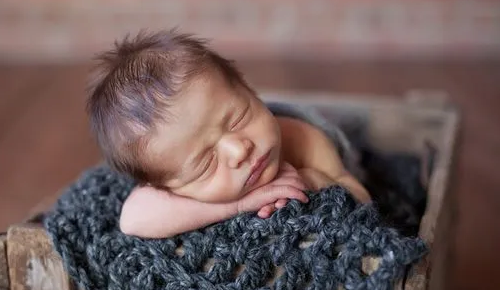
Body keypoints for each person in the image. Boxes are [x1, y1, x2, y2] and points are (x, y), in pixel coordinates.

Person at [86, 29, 371, 239]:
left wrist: (313, 180)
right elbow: (133, 220)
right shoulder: (169, 177)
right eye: (206, 163)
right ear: (170, 188)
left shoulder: (305, 139)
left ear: (249, 90)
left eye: (238, 120)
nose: (239, 150)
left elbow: (362, 200)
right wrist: (239, 204)